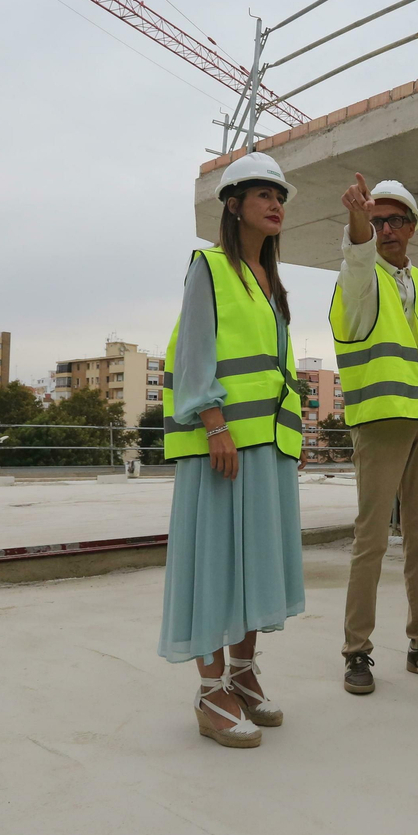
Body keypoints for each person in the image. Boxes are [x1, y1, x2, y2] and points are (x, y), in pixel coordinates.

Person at [158, 151, 307, 748]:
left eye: (280, 197)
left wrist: (288, 438)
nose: (275, 205)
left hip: (267, 447)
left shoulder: (271, 282)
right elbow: (194, 350)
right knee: (216, 565)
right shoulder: (210, 266)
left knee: (254, 566)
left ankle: (243, 674)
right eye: (263, 195)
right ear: (232, 204)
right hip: (222, 444)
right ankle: (210, 689)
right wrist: (214, 423)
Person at [331, 174, 418, 695]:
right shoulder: (361, 278)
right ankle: (357, 652)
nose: (385, 229)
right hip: (380, 421)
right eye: (376, 220)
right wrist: (356, 222)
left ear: (412, 227)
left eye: (394, 220)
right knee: (371, 540)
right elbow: (357, 258)